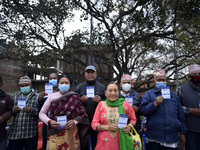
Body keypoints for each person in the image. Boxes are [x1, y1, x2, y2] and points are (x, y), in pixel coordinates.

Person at [139, 69, 186, 150]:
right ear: (154, 82)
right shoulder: (149, 94)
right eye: (159, 80)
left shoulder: (173, 96)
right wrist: (154, 104)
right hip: (154, 138)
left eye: (163, 80)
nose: (161, 81)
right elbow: (143, 111)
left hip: (172, 138)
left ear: (166, 81)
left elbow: (180, 115)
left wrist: (182, 133)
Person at [39, 76, 90, 150]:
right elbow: (41, 113)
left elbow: (82, 114)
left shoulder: (75, 97)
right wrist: (49, 122)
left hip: (71, 132)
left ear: (69, 85)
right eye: (62, 82)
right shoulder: (51, 96)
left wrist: (74, 121)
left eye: (66, 82)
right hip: (55, 132)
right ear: (58, 85)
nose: (64, 84)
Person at [91, 82, 136, 150]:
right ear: (105, 93)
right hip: (104, 143)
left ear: (119, 92)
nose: (113, 93)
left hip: (121, 143)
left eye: (115, 90)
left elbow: (133, 118)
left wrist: (129, 127)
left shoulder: (125, 104)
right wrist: (107, 127)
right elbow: (94, 124)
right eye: (110, 90)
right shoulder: (101, 105)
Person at [75, 65, 105, 150]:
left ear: (96, 74)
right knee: (83, 144)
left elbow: (108, 103)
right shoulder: (79, 88)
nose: (90, 74)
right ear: (85, 74)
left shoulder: (102, 87)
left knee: (97, 145)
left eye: (92, 72)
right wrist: (80, 100)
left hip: (98, 121)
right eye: (88, 72)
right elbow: (74, 104)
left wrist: (101, 100)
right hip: (83, 122)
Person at [8, 76, 39, 150]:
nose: (24, 87)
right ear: (19, 86)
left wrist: (31, 110)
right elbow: (10, 112)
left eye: (26, 85)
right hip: (15, 133)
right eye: (22, 86)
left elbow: (40, 112)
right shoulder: (15, 97)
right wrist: (13, 110)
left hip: (30, 133)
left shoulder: (37, 97)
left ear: (30, 86)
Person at [177, 64, 200, 150]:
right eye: (195, 74)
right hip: (190, 131)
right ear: (189, 76)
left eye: (199, 74)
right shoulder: (181, 89)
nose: (197, 76)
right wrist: (190, 110)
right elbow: (177, 107)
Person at [38, 72, 59, 150]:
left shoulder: (63, 92)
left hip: (59, 124)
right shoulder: (44, 94)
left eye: (55, 78)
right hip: (47, 125)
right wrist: (40, 100)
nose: (53, 80)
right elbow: (40, 111)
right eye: (51, 78)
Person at [0, 76, 13, 150]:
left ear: (1, 83)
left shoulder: (7, 97)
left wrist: (2, 118)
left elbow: (10, 111)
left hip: (2, 135)